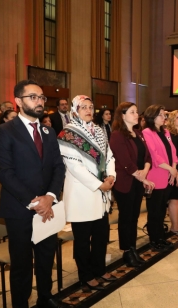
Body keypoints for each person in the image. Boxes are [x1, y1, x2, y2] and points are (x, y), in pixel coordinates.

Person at [0, 79, 68, 308]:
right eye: (33, 97)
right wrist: (35, 202)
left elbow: (58, 166)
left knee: (46, 257)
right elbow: (5, 173)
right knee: (22, 263)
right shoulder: (4, 132)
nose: (39, 101)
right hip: (20, 209)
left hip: (48, 206)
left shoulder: (48, 130)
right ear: (17, 101)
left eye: (42, 97)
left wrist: (50, 197)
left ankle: (46, 297)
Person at [58, 95, 116, 291]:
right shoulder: (67, 134)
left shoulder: (99, 131)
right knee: (83, 240)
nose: (88, 110)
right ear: (75, 111)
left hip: (101, 193)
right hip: (82, 194)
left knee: (101, 235)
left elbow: (109, 156)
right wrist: (100, 184)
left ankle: (99, 269)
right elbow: (75, 167)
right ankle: (85, 275)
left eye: (91, 107)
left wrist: (111, 176)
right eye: (84, 107)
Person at [110, 102, 154, 267]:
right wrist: (142, 177)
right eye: (132, 112)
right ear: (122, 115)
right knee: (126, 217)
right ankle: (127, 251)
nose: (137, 115)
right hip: (125, 182)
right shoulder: (117, 135)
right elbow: (126, 162)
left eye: (136, 112)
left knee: (134, 216)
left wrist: (146, 170)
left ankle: (133, 247)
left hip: (138, 181)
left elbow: (148, 156)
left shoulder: (138, 133)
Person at [142, 105, 178, 251]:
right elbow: (153, 154)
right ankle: (154, 239)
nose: (164, 118)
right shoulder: (147, 132)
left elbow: (173, 151)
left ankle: (161, 237)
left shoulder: (166, 132)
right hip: (156, 176)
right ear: (152, 116)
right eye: (161, 115)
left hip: (168, 174)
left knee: (162, 209)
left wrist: (174, 168)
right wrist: (170, 168)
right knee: (155, 210)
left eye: (164, 115)